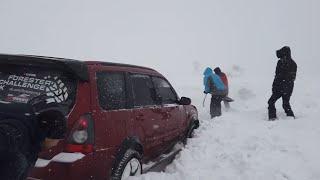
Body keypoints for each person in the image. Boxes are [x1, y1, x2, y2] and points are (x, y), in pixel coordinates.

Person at [0, 98, 66, 180]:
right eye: (56, 140)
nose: (56, 144)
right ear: (47, 135)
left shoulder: (33, 138)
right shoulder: (16, 132)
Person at [268, 46, 297, 120]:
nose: (281, 58)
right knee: (272, 102)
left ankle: (291, 118)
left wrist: (284, 89)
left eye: (282, 56)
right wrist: (274, 86)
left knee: (284, 104)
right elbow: (277, 76)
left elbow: (290, 79)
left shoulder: (293, 64)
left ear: (286, 54)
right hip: (279, 87)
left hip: (286, 88)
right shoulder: (280, 62)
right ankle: (273, 117)